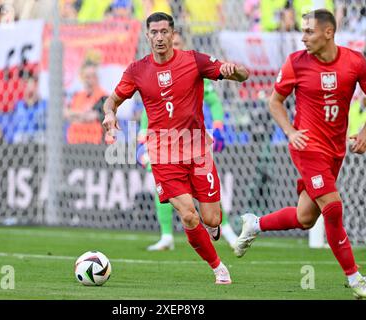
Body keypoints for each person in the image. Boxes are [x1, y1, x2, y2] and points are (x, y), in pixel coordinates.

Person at [233, 9, 366, 299]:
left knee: (305, 217)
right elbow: (275, 102)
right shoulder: (295, 63)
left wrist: (365, 134)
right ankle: (355, 279)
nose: (303, 37)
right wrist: (290, 132)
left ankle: (256, 223)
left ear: (328, 33)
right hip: (306, 147)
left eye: (309, 31)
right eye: (302, 31)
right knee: (333, 207)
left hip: (335, 150)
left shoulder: (354, 62)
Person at [102, 12, 249, 285]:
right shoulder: (137, 70)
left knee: (211, 217)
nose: (159, 37)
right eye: (154, 32)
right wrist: (110, 114)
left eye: (164, 32)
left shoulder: (194, 60)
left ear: (172, 34)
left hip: (197, 149)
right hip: (162, 152)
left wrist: (235, 69)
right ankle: (218, 268)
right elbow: (111, 101)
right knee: (189, 216)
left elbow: (242, 75)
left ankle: (214, 227)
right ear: (147, 36)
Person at [137, 30, 238, 251]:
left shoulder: (191, 67)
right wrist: (141, 138)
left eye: (177, 42)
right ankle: (166, 235)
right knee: (162, 186)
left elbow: (214, 101)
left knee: (204, 189)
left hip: (192, 139)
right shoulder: (151, 71)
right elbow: (150, 109)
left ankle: (224, 226)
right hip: (162, 141)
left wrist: (219, 127)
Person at [65, 61, 107, 144]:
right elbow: (66, 113)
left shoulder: (103, 97)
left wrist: (75, 116)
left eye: (92, 76)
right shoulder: (77, 96)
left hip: (92, 145)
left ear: (97, 77)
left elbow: (91, 117)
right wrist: (82, 114)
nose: (89, 80)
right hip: (74, 142)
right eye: (86, 77)